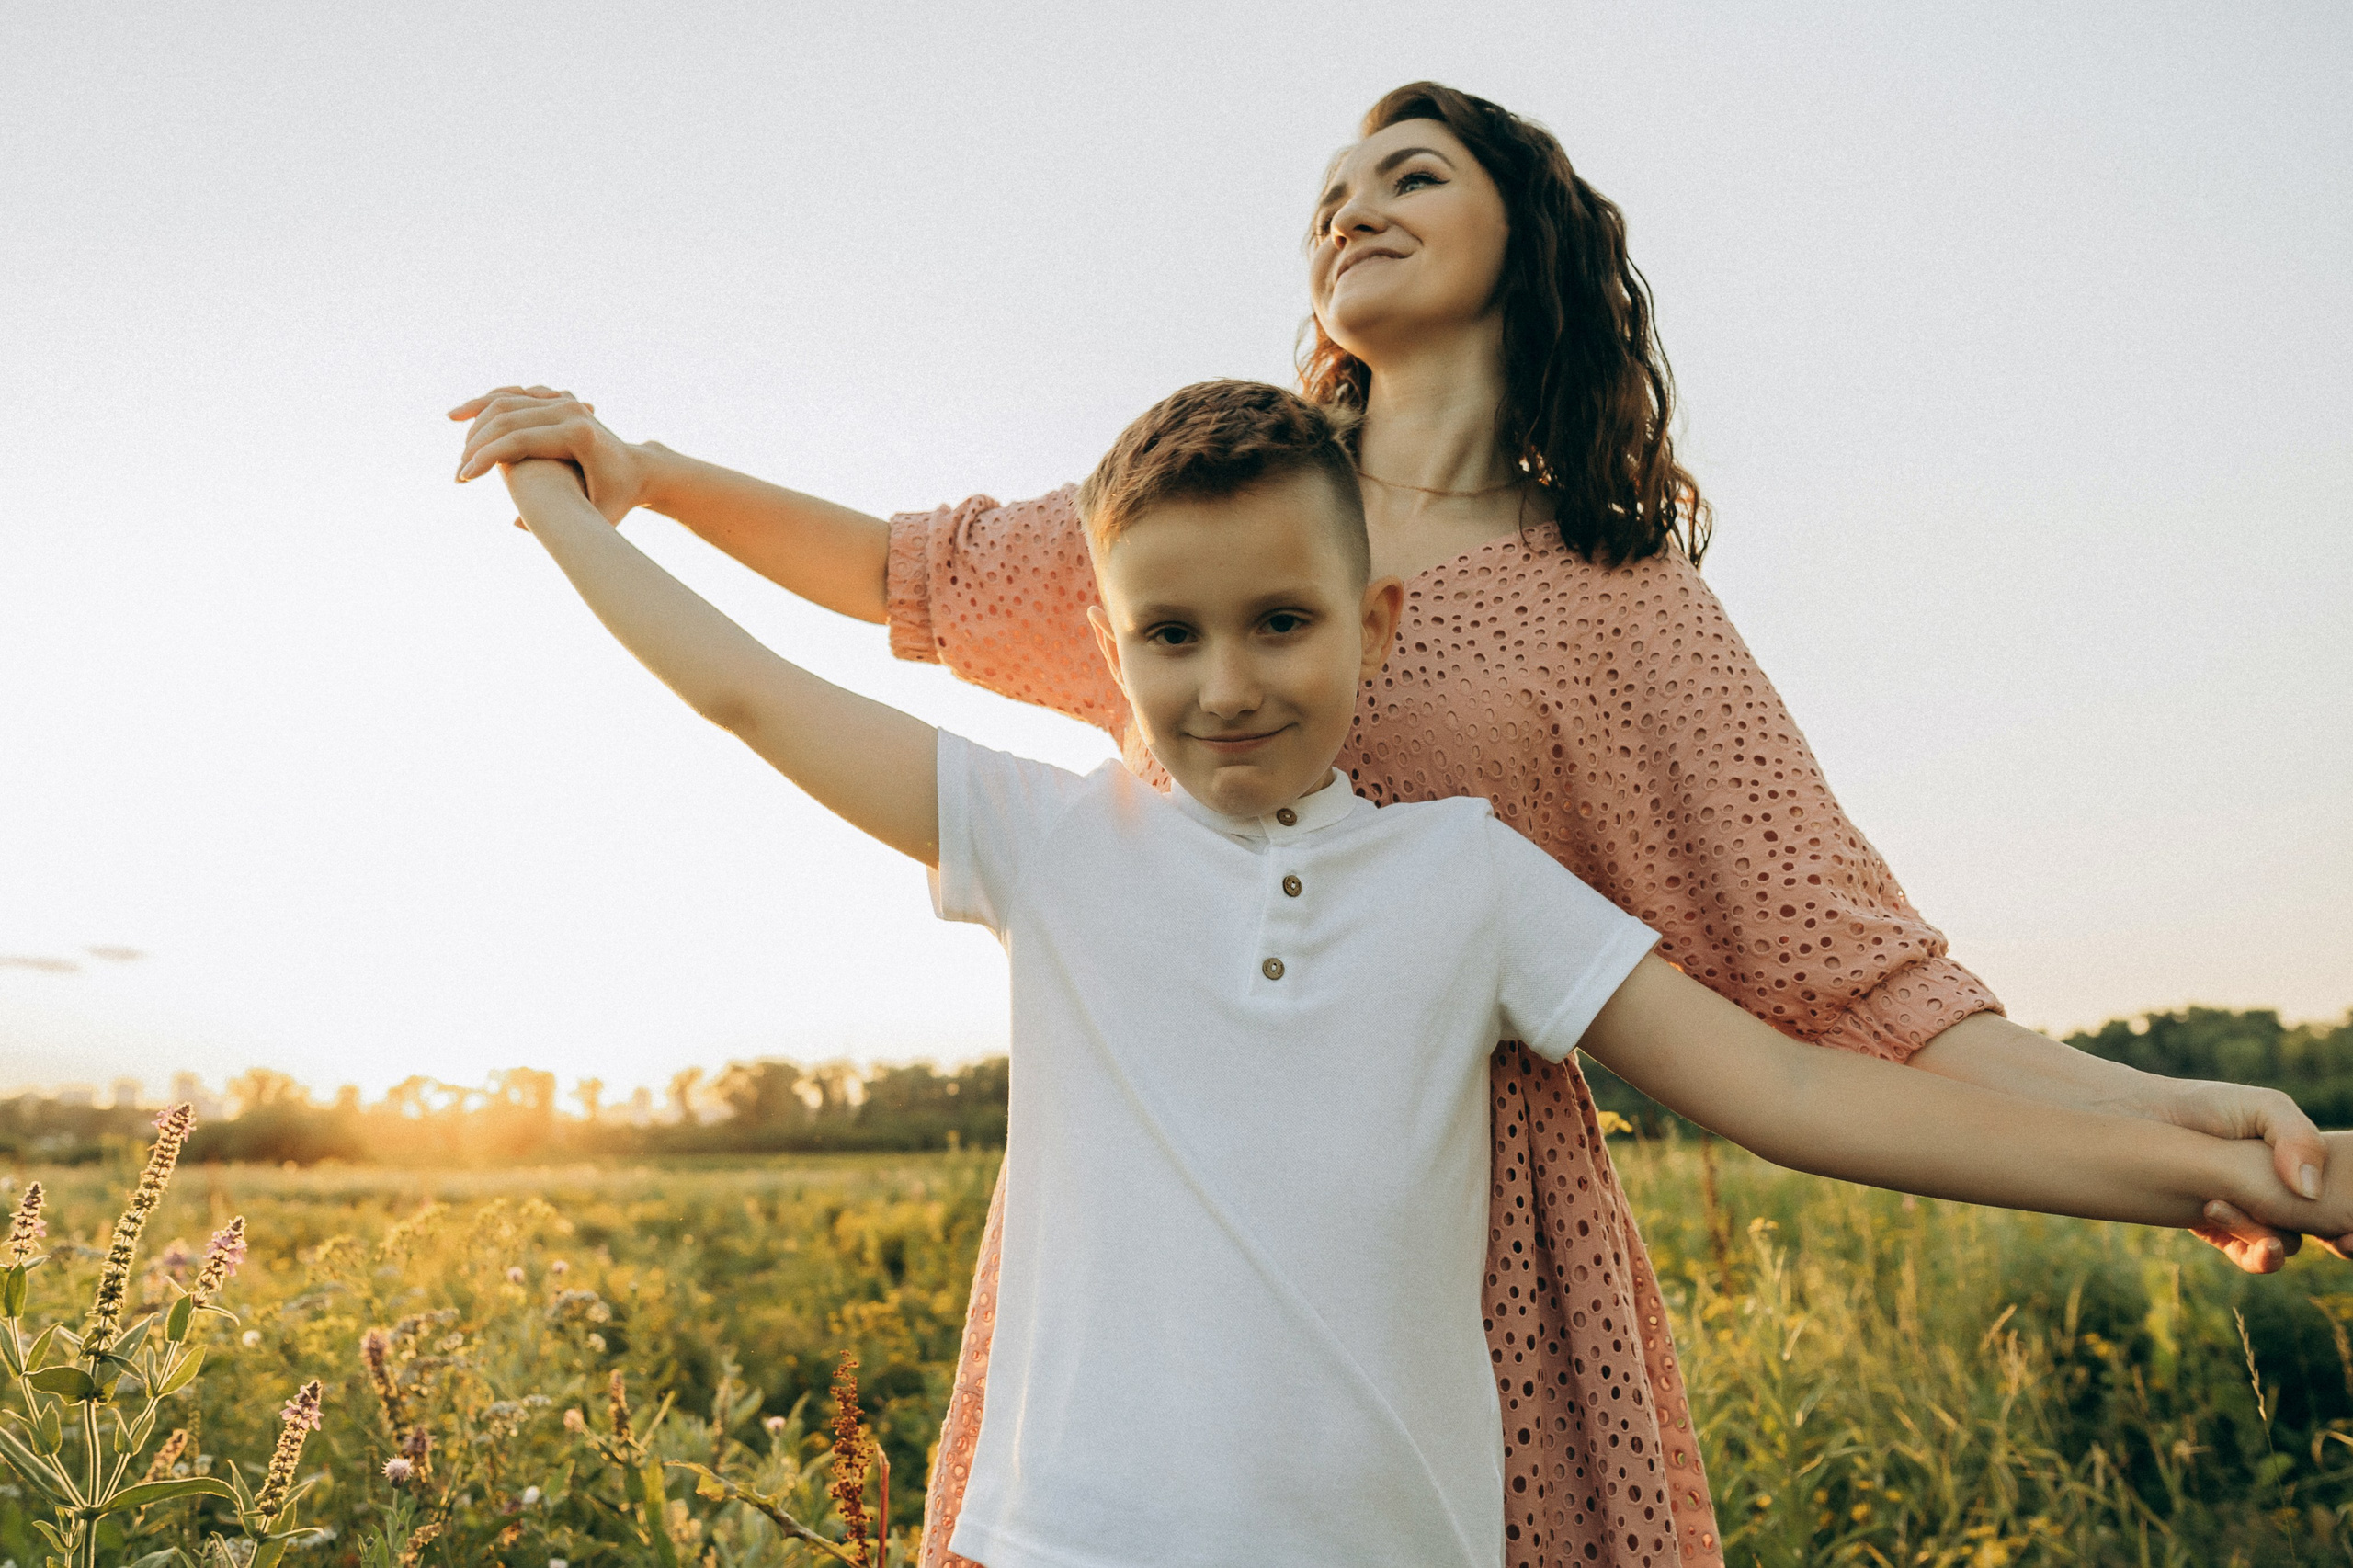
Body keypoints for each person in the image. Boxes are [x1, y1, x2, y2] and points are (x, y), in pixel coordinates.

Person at [449, 83, 2347, 1567]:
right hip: (1163, 1245)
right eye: (1329, 193)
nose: (1350, 206)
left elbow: (1848, 998)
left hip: (1462, 1249)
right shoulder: (1234, 504)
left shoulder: (1618, 603)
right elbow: (894, 577)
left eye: (1411, 172)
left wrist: (2195, 1133)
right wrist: (643, 474)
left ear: (1528, 233)